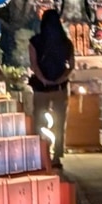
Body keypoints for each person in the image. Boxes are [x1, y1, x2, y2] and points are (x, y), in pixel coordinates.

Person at [28, 9, 74, 167]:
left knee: (39, 119)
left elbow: (34, 65)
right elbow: (71, 66)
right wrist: (60, 79)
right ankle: (57, 156)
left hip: (41, 87)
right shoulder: (66, 42)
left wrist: (43, 79)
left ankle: (41, 153)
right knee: (60, 121)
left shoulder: (35, 41)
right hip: (60, 87)